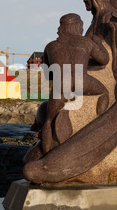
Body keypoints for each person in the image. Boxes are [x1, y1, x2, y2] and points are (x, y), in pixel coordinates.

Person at [40, 13, 110, 154]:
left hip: (60, 83)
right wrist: (95, 44)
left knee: (48, 120)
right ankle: (100, 119)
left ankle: (46, 154)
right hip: (80, 80)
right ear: (77, 26)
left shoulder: (51, 46)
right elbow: (104, 59)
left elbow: (48, 73)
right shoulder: (86, 43)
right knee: (104, 92)